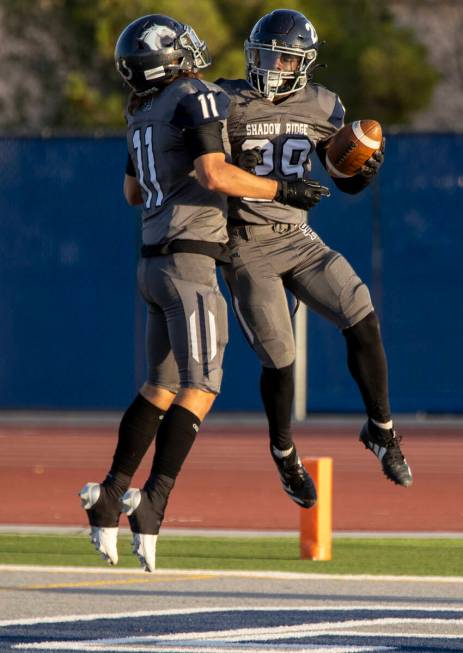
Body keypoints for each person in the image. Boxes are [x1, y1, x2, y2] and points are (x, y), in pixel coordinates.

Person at [79, 13, 323, 572]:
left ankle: (113, 494)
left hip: (151, 262)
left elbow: (132, 191)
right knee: (203, 385)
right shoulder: (195, 95)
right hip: (190, 261)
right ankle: (154, 503)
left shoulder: (141, 112)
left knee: (160, 385)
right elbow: (214, 174)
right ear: (166, 59)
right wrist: (281, 187)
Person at [217, 8, 413, 509]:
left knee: (361, 311)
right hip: (246, 241)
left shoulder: (324, 106)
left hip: (299, 237)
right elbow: (211, 169)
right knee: (280, 356)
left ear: (303, 63)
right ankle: (285, 455)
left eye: (282, 57)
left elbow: (341, 179)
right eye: (263, 55)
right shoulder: (226, 101)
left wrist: (362, 172)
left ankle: (382, 430)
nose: (271, 65)